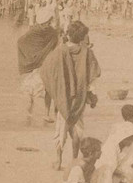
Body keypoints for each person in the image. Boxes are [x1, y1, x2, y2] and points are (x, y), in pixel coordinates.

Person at [40, 20, 100, 170]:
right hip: (79, 97)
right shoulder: (87, 53)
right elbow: (92, 77)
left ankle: (58, 161)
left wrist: (55, 90)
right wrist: (92, 95)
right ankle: (74, 160)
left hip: (62, 97)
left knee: (61, 128)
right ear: (82, 37)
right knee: (77, 129)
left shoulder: (60, 51)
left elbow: (46, 69)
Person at [85, 105, 133, 183]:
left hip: (112, 171)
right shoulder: (111, 148)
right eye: (131, 138)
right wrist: (128, 174)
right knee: (125, 174)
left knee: (132, 170)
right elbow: (111, 167)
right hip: (102, 174)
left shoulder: (124, 147)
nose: (132, 141)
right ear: (123, 138)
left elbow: (129, 160)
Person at [16, 5, 58, 125]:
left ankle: (42, 114)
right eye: (48, 21)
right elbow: (21, 42)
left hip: (44, 64)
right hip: (36, 66)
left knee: (46, 89)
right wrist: (32, 57)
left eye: (50, 21)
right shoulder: (35, 32)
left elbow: (54, 46)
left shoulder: (49, 32)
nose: (49, 23)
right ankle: (30, 115)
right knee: (34, 91)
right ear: (44, 21)